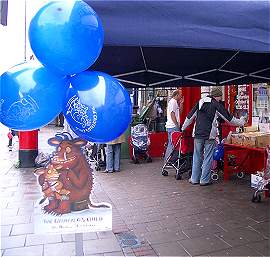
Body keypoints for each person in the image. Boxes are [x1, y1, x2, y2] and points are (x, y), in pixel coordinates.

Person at [181, 87, 245, 186]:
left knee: (197, 155)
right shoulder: (216, 104)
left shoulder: (200, 102)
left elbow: (189, 117)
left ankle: (194, 178)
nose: (221, 99)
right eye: (220, 97)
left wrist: (183, 128)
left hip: (197, 134)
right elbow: (229, 119)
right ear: (218, 96)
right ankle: (204, 180)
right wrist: (241, 122)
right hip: (209, 135)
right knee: (208, 156)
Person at [164, 89, 183, 163]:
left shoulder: (175, 102)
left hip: (171, 126)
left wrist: (181, 103)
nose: (181, 96)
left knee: (172, 144)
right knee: (172, 144)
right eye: (180, 94)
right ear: (177, 95)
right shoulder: (173, 102)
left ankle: (170, 160)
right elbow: (172, 114)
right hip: (173, 126)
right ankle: (168, 160)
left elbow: (179, 113)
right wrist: (177, 125)